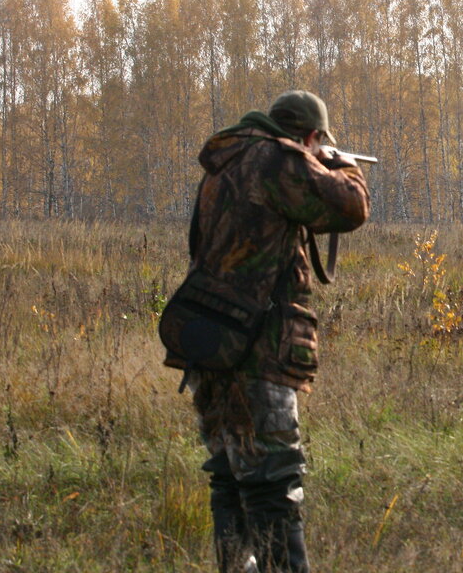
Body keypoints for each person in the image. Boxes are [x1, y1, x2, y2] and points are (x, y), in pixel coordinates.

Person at [165, 90, 370, 573]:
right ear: (311, 136)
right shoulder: (279, 160)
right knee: (274, 479)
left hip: (213, 340)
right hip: (259, 345)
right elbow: (352, 207)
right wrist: (342, 166)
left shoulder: (227, 160)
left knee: (232, 474)